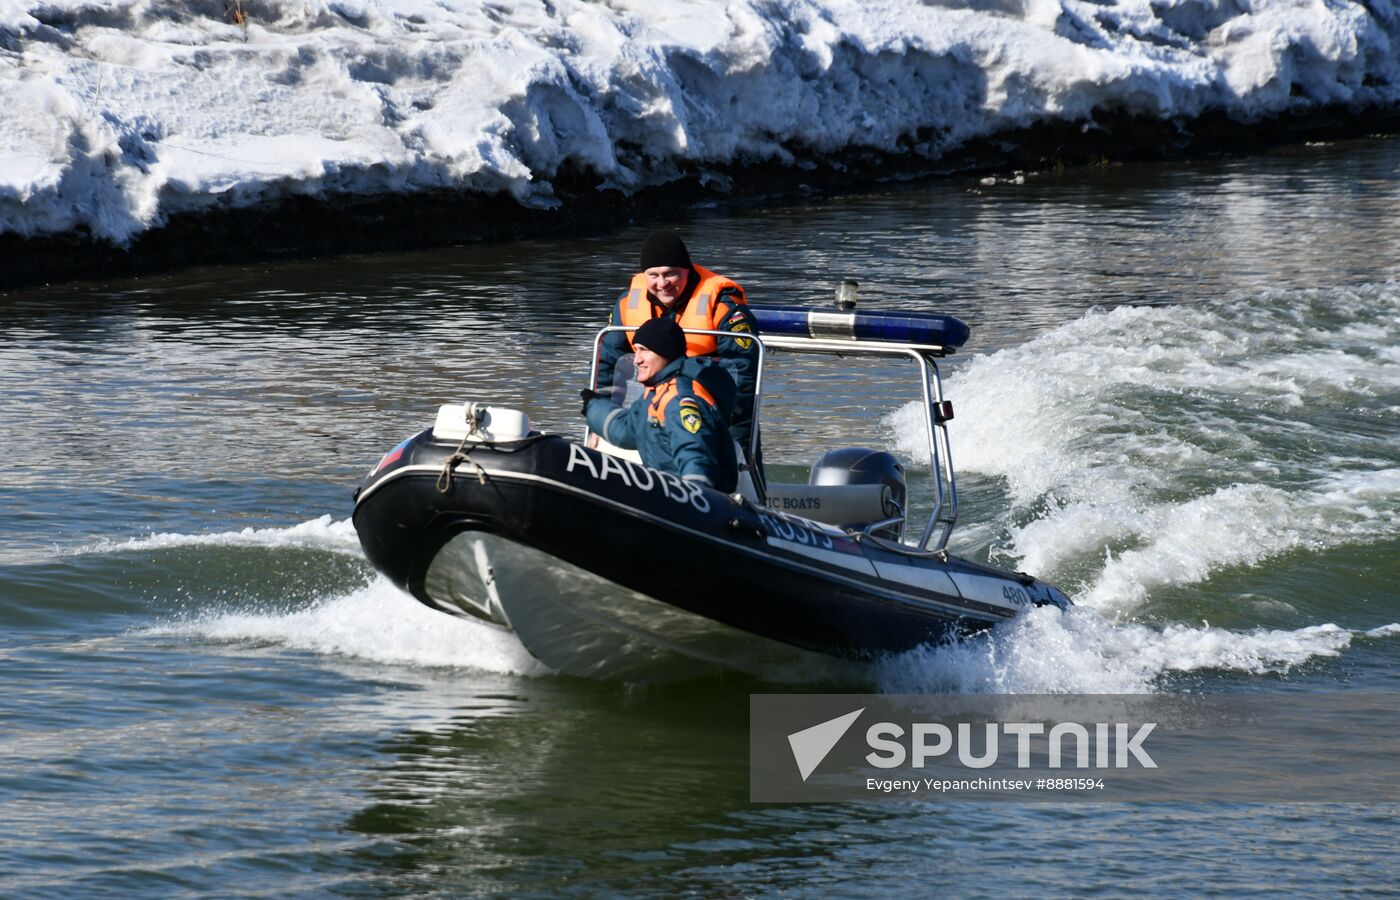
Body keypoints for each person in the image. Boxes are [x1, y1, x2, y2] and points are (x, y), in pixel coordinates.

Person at [594, 230, 761, 468]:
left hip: (714, 411)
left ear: (687, 270)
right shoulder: (627, 304)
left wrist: (724, 419)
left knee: (736, 465)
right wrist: (601, 416)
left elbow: (744, 373)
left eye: (671, 274)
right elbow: (607, 363)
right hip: (651, 409)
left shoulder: (723, 307)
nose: (662, 284)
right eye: (653, 275)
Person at [582, 318, 738, 493]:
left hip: (689, 500)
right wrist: (594, 407)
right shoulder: (655, 392)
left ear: (665, 353)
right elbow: (627, 429)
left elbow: (695, 456)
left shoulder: (680, 400)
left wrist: (693, 500)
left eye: (644, 351)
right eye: (636, 350)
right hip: (665, 492)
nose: (636, 360)